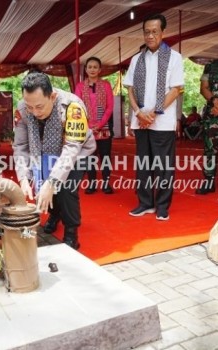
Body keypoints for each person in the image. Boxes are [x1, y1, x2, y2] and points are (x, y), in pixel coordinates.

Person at [13, 72, 96, 249]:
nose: (34, 112)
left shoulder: (73, 107)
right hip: (41, 154)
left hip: (77, 153)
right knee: (40, 181)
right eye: (30, 107)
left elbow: (71, 149)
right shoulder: (22, 108)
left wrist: (52, 183)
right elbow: (21, 146)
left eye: (39, 107)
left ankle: (71, 232)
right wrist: (23, 178)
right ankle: (55, 214)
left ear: (53, 96)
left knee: (65, 188)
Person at [123, 13, 184, 221]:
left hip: (163, 122)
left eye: (154, 31)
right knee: (144, 166)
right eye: (146, 32)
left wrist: (154, 112)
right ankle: (145, 203)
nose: (150, 36)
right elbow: (129, 89)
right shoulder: (136, 59)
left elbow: (175, 89)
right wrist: (139, 113)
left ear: (163, 32)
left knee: (163, 166)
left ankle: (163, 205)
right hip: (140, 121)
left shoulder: (174, 57)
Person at [75, 56, 114, 194]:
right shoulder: (80, 86)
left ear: (100, 70)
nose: (92, 69)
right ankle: (91, 183)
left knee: (105, 156)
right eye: (89, 67)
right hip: (86, 128)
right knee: (89, 157)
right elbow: (77, 107)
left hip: (103, 128)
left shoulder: (106, 85)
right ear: (85, 69)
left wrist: (100, 124)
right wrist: (88, 125)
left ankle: (106, 183)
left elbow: (110, 107)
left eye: (95, 67)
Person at [195, 59, 218, 194]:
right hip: (212, 115)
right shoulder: (210, 67)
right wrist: (214, 101)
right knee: (210, 149)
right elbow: (203, 88)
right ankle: (209, 181)